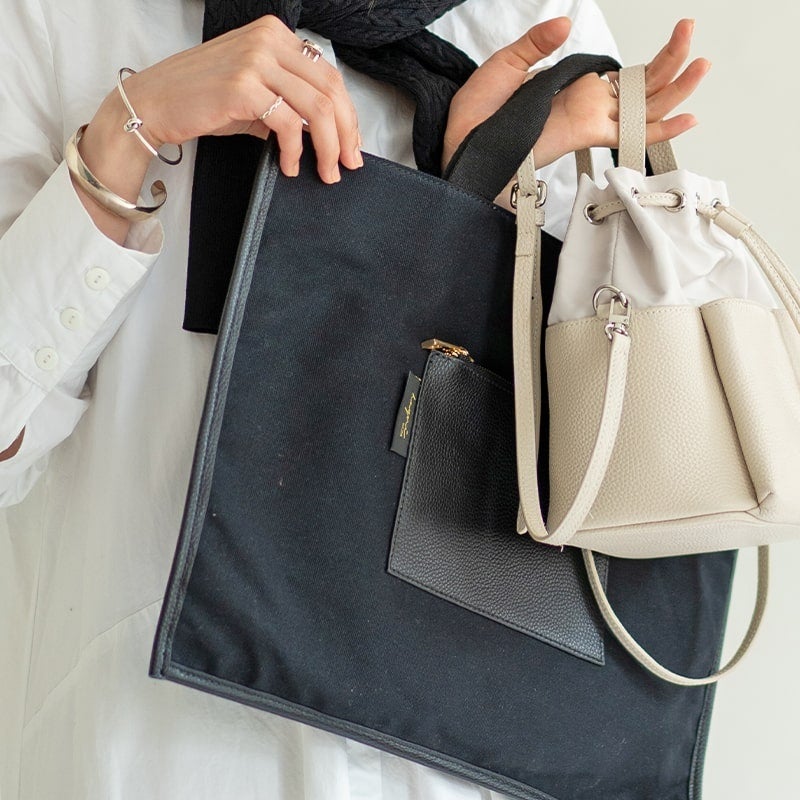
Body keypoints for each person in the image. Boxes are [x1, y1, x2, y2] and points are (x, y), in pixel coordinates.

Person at [0, 1, 708, 797]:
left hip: (457, 752)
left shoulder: (530, 16)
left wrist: (481, 201)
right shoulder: (62, 19)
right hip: (168, 742)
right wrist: (133, 124)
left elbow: (599, 427)